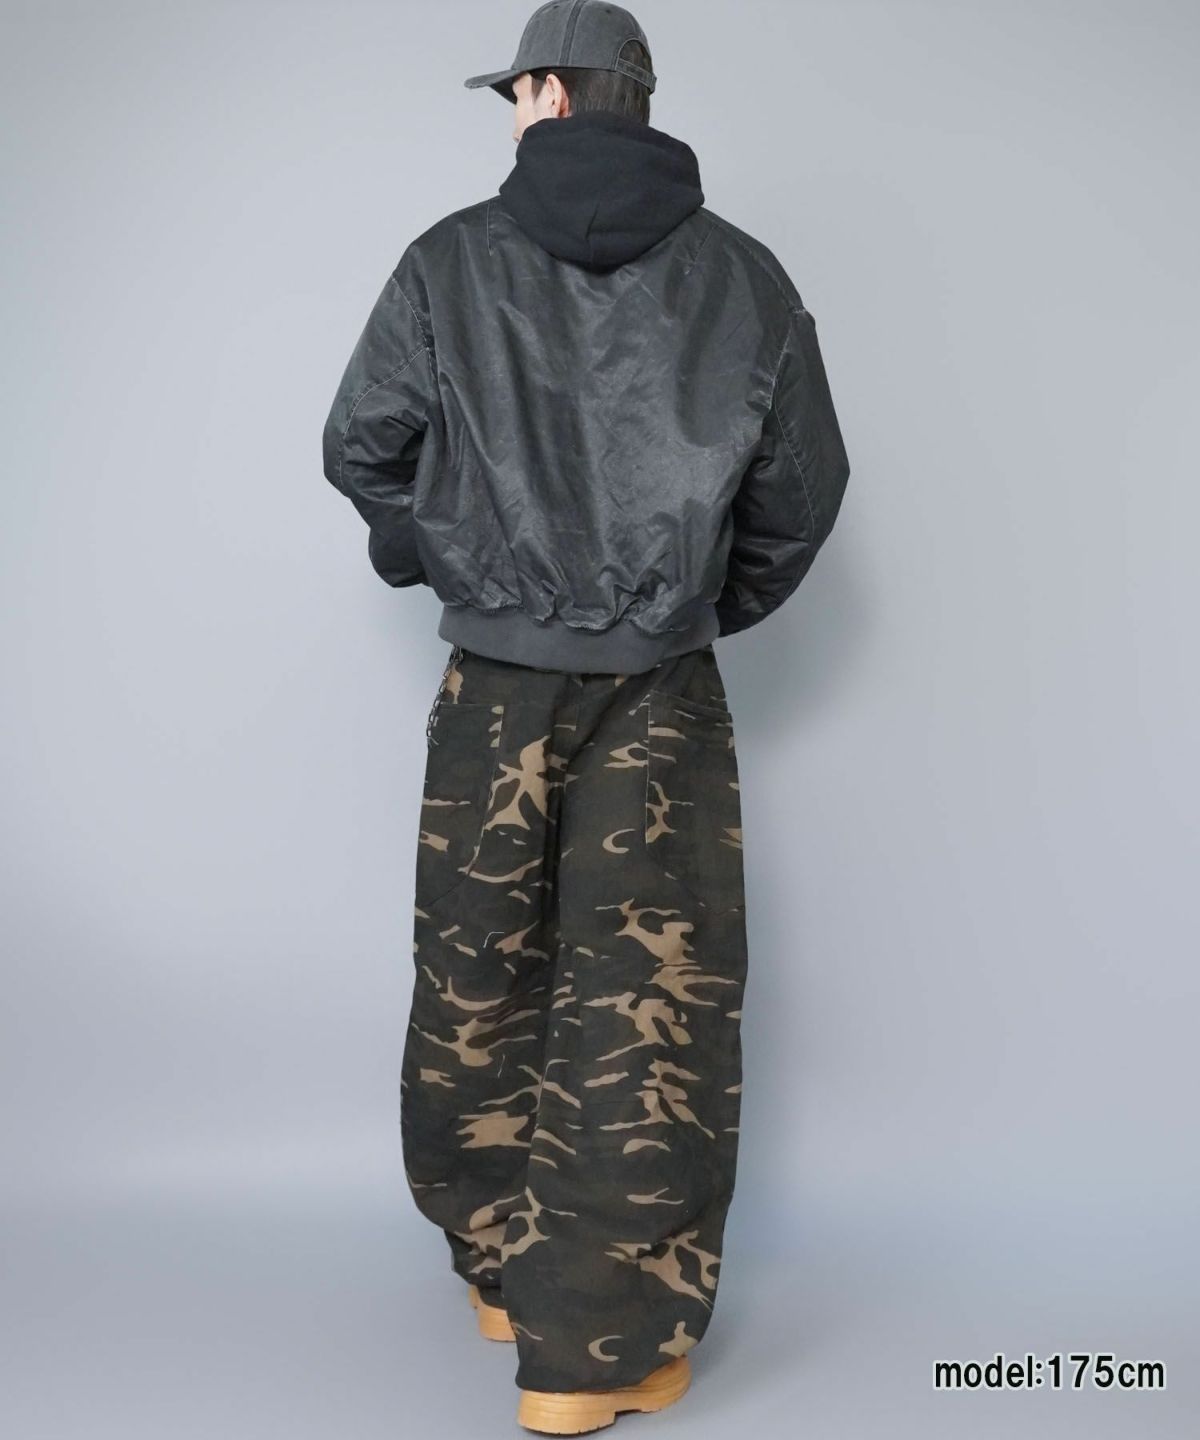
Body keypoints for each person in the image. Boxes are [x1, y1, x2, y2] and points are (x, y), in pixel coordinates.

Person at [320, 1, 850, 1431]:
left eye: (517, 92)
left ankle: (500, 1271)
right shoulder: (746, 278)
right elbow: (801, 500)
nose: (512, 114)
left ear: (552, 95)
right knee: (644, 1008)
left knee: (478, 972)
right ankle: (596, 1349)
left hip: (492, 687)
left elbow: (360, 445)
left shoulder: (448, 262)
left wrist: (460, 564)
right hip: (661, 691)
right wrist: (684, 608)